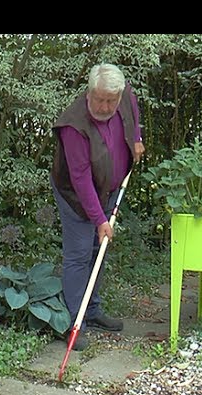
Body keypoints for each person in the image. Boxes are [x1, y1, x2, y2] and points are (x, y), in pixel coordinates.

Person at [50, 63, 145, 351]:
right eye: (99, 99)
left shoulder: (123, 95)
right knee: (79, 254)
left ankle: (92, 310)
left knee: (98, 249)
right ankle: (72, 323)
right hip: (76, 196)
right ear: (89, 93)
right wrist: (100, 219)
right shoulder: (73, 126)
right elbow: (80, 180)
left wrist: (137, 138)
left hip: (110, 188)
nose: (104, 106)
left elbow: (132, 108)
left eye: (110, 101)